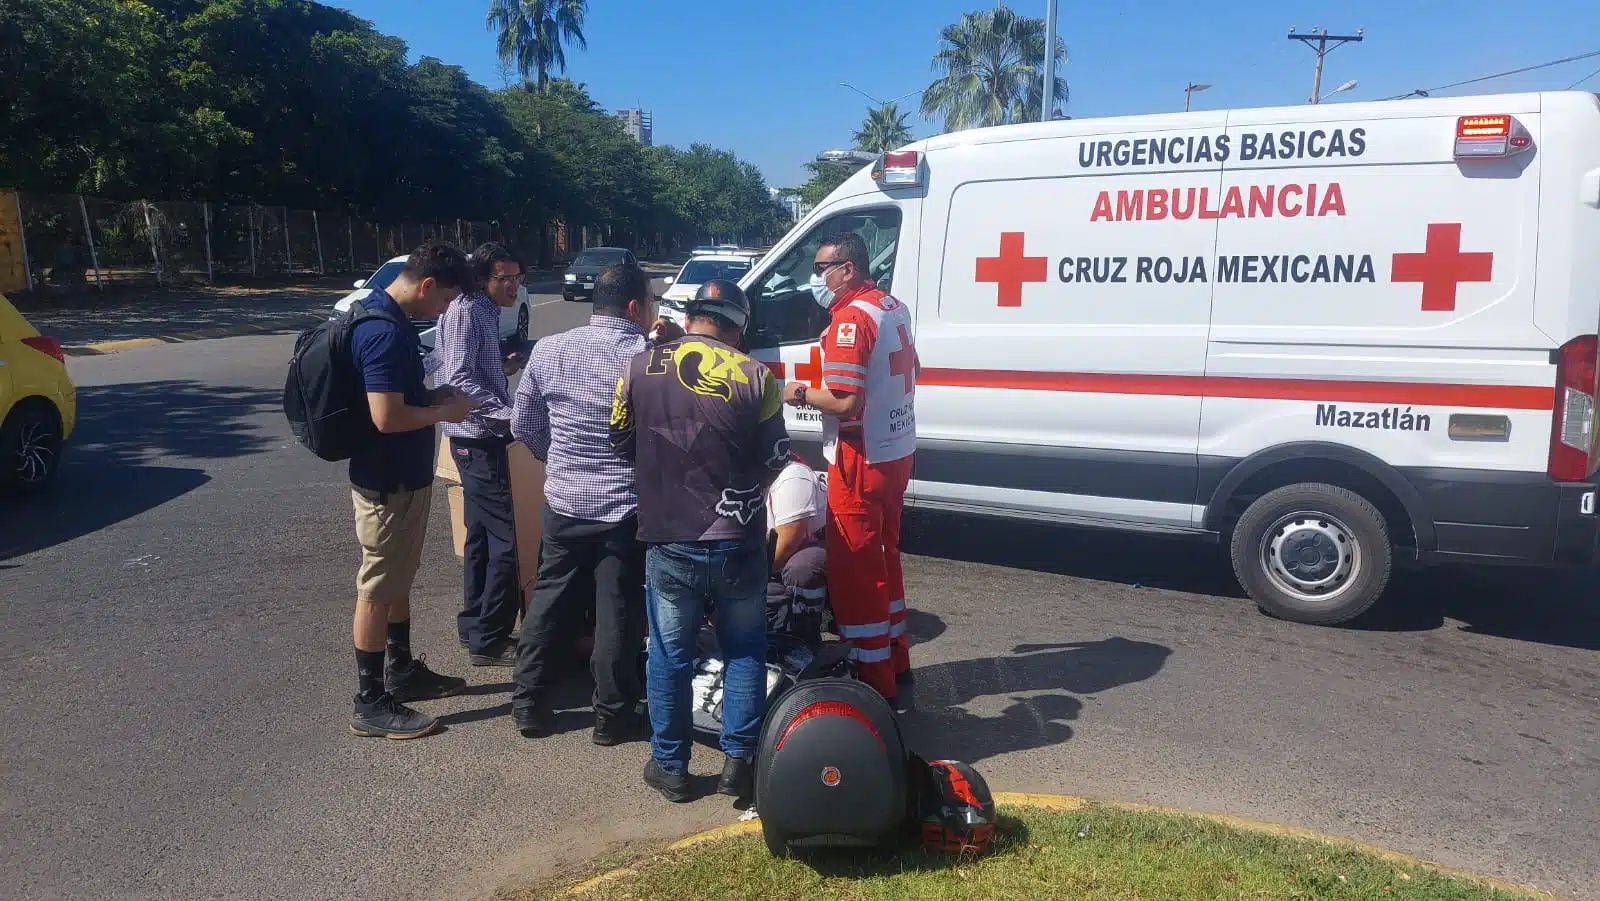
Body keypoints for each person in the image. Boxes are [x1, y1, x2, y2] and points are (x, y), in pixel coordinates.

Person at [611, 279, 791, 804]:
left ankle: (670, 767)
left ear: (691, 319)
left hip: (669, 537)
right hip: (738, 538)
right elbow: (778, 454)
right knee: (744, 651)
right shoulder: (759, 377)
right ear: (738, 327)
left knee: (669, 656)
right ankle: (739, 763)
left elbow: (617, 438)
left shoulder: (638, 367)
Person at [509, 263, 683, 744]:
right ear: (634, 307)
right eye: (650, 301)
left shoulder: (550, 349)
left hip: (564, 501)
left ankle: (529, 703)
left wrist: (558, 458)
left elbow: (523, 423)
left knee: (550, 599)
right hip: (625, 509)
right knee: (618, 610)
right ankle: (612, 715)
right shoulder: (648, 359)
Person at [347, 241, 478, 740]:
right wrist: (445, 411)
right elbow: (385, 416)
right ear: (426, 285)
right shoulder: (382, 331)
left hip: (404, 476)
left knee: (399, 578)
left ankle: (400, 668)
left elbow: (399, 398)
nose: (444, 311)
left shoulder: (388, 317)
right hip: (387, 481)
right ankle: (369, 701)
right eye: (444, 301)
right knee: (378, 589)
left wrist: (431, 396)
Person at [784, 232, 917, 708]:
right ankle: (897, 656)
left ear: (849, 269)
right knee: (886, 556)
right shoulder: (890, 305)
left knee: (856, 570)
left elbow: (844, 400)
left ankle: (872, 677)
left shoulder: (850, 320)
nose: (817, 278)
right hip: (895, 451)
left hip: (860, 457)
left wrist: (795, 392)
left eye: (822, 268)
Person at [437, 242, 526, 667]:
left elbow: (473, 370)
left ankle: (474, 625)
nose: (512, 286)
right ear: (482, 278)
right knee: (509, 539)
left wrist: (503, 369)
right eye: (503, 278)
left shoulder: (484, 310)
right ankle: (490, 639)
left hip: (479, 434)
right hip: (477, 436)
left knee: (480, 538)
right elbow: (456, 377)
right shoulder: (467, 310)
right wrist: (509, 415)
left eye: (516, 278)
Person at [765, 453, 827, 644]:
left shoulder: (792, 477)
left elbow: (788, 543)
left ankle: (805, 634)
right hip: (770, 558)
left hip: (810, 552)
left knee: (802, 568)